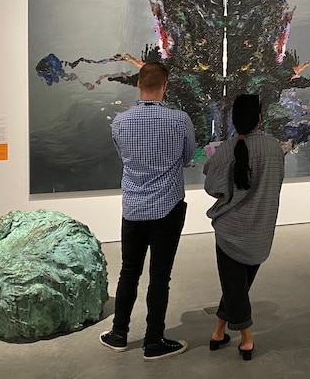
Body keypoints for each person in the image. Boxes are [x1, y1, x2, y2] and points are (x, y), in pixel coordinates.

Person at [100, 62, 196, 361]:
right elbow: (188, 157)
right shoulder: (179, 121)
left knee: (129, 271)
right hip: (167, 205)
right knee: (159, 275)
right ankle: (153, 340)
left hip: (133, 206)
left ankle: (119, 333)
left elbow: (123, 157)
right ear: (165, 85)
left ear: (138, 84)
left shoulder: (120, 122)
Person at [204, 95, 285, 361]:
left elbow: (212, 188)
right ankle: (219, 330)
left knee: (234, 286)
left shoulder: (225, 151)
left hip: (230, 231)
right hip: (261, 232)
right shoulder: (274, 148)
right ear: (260, 118)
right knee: (237, 285)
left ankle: (246, 339)